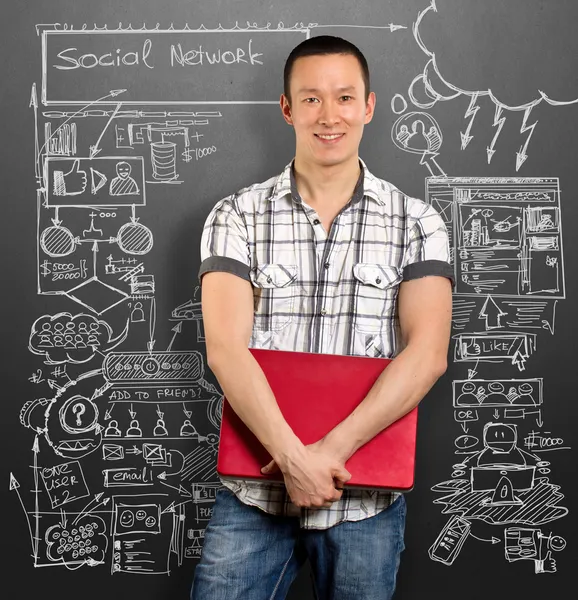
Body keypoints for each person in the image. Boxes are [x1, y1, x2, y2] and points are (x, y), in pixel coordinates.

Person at [191, 35, 453, 600]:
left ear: (368, 106)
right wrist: (290, 457)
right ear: (286, 109)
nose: (328, 115)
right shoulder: (235, 215)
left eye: (343, 98)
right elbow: (225, 349)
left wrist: (328, 455)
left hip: (364, 499)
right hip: (254, 495)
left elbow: (427, 353)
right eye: (310, 99)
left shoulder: (419, 223)